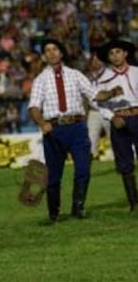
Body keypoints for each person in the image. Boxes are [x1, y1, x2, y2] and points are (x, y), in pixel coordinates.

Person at [28, 38, 112, 222]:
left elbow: (94, 96)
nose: (51, 53)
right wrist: (42, 123)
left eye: (54, 49)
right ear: (44, 56)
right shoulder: (40, 80)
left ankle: (78, 207)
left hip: (77, 127)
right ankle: (54, 213)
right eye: (47, 50)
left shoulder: (75, 75)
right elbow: (33, 107)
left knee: (83, 169)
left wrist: (113, 93)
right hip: (54, 129)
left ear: (62, 53)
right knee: (54, 175)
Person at [95, 38, 138, 212]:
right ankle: (134, 203)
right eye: (111, 53)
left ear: (125, 53)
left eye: (118, 51)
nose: (115, 56)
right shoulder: (103, 78)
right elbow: (98, 103)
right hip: (118, 120)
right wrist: (112, 117)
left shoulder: (137, 72)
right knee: (124, 162)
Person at [85, 53, 110, 157]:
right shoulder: (87, 77)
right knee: (90, 140)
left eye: (97, 60)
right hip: (93, 112)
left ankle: (121, 165)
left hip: (109, 110)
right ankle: (90, 165)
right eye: (93, 60)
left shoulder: (110, 74)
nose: (95, 62)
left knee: (115, 139)